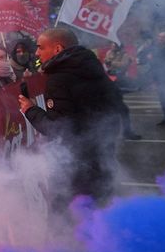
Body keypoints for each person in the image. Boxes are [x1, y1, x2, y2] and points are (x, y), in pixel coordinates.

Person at [19, 27, 123, 203]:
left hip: (75, 166)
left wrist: (30, 109)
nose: (37, 53)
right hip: (102, 157)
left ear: (57, 49)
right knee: (98, 215)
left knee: (69, 218)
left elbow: (58, 129)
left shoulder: (60, 78)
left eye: (41, 47)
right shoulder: (92, 67)